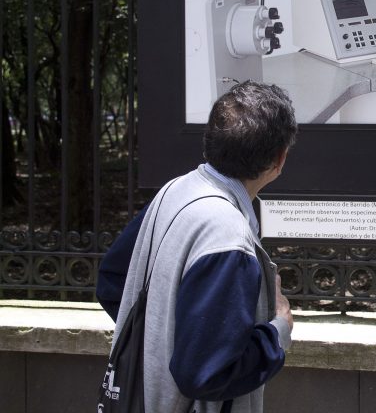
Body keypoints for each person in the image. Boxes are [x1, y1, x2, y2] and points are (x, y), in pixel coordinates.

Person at [98, 81, 298, 413]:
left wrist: (167, 339)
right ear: (279, 160)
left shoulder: (174, 192)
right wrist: (278, 331)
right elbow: (205, 375)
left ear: (211, 142)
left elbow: (112, 281)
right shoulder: (228, 236)